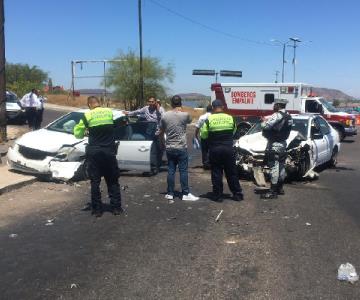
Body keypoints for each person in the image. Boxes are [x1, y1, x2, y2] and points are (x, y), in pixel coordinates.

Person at [74, 96, 123, 217]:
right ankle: (116, 208)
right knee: (112, 180)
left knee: (95, 182)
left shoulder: (88, 115)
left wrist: (85, 129)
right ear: (99, 103)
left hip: (94, 153)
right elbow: (114, 125)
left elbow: (78, 134)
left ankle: (97, 210)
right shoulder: (109, 112)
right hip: (109, 152)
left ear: (89, 105)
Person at [200, 99, 244, 202]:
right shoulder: (230, 118)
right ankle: (237, 194)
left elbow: (203, 135)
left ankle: (218, 195)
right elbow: (234, 131)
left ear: (213, 108)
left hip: (215, 149)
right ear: (222, 107)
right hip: (228, 149)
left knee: (216, 172)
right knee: (232, 172)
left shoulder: (209, 119)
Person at [159, 95, 199, 201]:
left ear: (171, 104)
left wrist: (163, 143)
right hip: (181, 147)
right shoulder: (185, 115)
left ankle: (170, 193)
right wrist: (182, 110)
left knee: (171, 170)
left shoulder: (165, 116)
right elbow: (190, 120)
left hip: (170, 147)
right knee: (183, 171)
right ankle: (185, 193)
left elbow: (160, 131)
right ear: (180, 104)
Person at [261, 98, 293, 199]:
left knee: (274, 167)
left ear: (278, 106)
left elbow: (266, 127)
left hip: (275, 144)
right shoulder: (289, 116)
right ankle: (280, 188)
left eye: (275, 105)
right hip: (283, 144)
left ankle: (272, 191)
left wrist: (263, 121)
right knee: (282, 166)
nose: (273, 106)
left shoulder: (277, 115)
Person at [126, 96, 165, 173]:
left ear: (155, 102)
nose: (151, 103)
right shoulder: (146, 108)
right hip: (149, 132)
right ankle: (153, 167)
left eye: (152, 101)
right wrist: (128, 113)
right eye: (149, 101)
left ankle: (158, 165)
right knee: (151, 150)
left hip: (159, 132)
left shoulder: (160, 109)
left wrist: (158, 110)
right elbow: (137, 112)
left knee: (160, 149)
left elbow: (164, 118)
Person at [194, 104, 212, 169]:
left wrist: (195, 135)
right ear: (212, 109)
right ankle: (210, 163)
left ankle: (205, 163)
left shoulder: (202, 117)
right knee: (211, 149)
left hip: (204, 136)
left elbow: (197, 127)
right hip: (212, 136)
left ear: (206, 110)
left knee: (204, 150)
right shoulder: (213, 116)